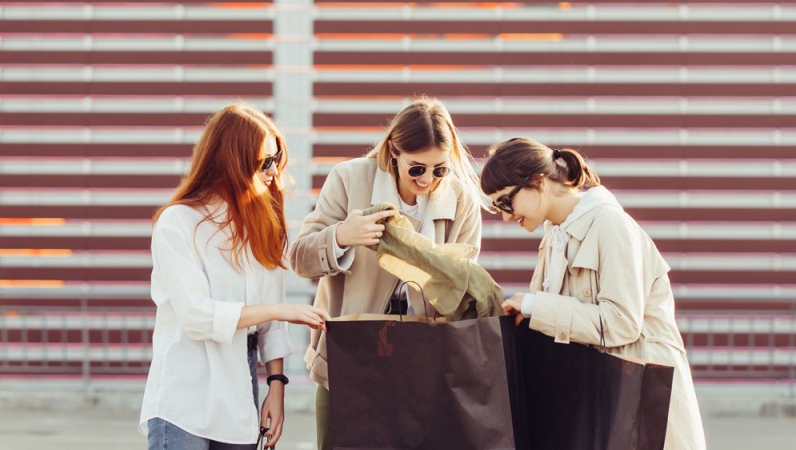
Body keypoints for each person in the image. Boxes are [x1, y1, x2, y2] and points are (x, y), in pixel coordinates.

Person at [481, 137, 706, 449]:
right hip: (603, 405)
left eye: (507, 202)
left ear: (538, 181)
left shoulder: (611, 224)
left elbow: (621, 323)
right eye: (497, 207)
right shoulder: (555, 237)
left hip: (643, 404)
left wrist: (537, 306)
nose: (506, 216)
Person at [288, 98, 486, 450]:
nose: (428, 179)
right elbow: (300, 259)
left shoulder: (461, 200)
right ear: (394, 152)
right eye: (417, 168)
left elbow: (465, 292)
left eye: (440, 169)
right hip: (350, 356)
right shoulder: (350, 179)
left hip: (424, 363)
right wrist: (342, 236)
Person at [139, 103, 330, 450]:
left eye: (277, 159)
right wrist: (280, 310)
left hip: (240, 400)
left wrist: (276, 385)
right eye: (264, 162)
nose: (274, 171)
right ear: (232, 162)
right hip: (182, 400)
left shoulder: (264, 226)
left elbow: (272, 327)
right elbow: (197, 316)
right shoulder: (177, 223)